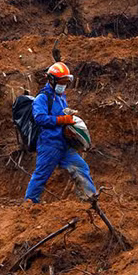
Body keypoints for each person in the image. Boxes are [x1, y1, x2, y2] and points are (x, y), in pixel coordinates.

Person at [24, 62, 96, 203]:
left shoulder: (61, 97)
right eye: (61, 81)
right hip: (49, 144)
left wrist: (68, 122)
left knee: (81, 167)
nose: (64, 85)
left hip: (64, 144)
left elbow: (62, 115)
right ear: (51, 80)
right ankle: (29, 203)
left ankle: (90, 200)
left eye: (66, 81)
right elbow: (40, 118)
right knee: (41, 175)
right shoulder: (42, 98)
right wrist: (62, 120)